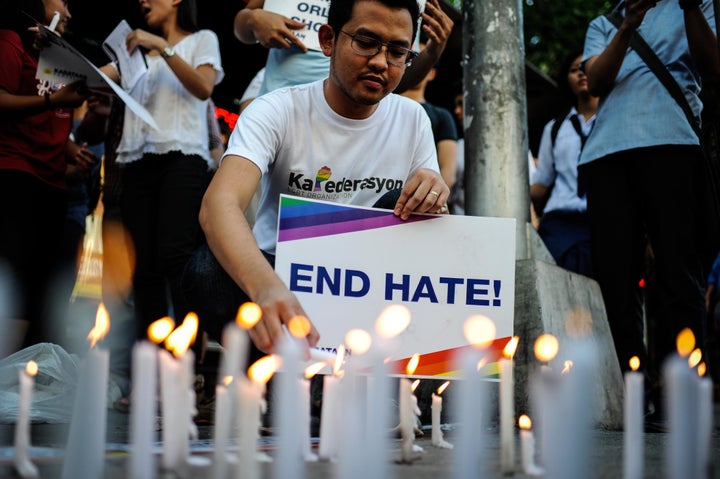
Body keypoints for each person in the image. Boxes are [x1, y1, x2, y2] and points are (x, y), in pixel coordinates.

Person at [189, 0, 449, 355]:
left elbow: (429, 237)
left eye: (397, 51)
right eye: (366, 42)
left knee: (403, 210)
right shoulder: (277, 109)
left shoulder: (413, 119)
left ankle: (366, 379)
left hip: (366, 294)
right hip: (281, 280)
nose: (379, 61)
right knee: (205, 270)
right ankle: (282, 373)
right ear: (328, 40)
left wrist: (432, 196)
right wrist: (266, 286)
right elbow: (219, 204)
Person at [579, 0, 720, 403]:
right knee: (616, 280)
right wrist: (628, 25)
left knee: (679, 273)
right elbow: (595, 82)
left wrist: (691, 6)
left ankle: (683, 395)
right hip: (606, 156)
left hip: (673, 147)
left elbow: (713, 69)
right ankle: (632, 392)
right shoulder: (604, 22)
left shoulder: (699, 6)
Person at [101, 0, 224, 341]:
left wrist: (161, 46)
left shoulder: (203, 39)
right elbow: (94, 79)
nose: (141, 1)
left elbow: (203, 87)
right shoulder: (136, 54)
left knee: (176, 256)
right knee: (142, 268)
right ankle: (150, 366)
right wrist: (54, 51)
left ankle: (186, 362)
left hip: (182, 158)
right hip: (137, 161)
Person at [0, 0, 93, 353]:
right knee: (16, 277)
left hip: (55, 181)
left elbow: (50, 123)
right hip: (16, 174)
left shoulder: (60, 55)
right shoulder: (11, 41)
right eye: (62, 1)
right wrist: (53, 102)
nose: (68, 12)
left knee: (43, 283)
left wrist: (72, 152)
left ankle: (30, 368)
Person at [233, 0, 453, 96]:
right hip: (277, 112)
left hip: (350, 121)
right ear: (327, 39)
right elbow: (240, 27)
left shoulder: (401, 7)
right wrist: (254, 19)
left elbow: (397, 80)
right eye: (365, 43)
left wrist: (434, 49)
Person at [530, 50, 597, 277]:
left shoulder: (616, 122)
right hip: (559, 224)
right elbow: (541, 184)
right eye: (574, 69)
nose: (582, 73)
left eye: (587, 66)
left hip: (601, 222)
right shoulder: (556, 128)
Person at [400, 39, 457, 189]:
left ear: (432, 73)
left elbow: (448, 172)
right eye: (411, 58)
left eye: (422, 61)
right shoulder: (382, 104)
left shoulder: (442, 116)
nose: (415, 65)